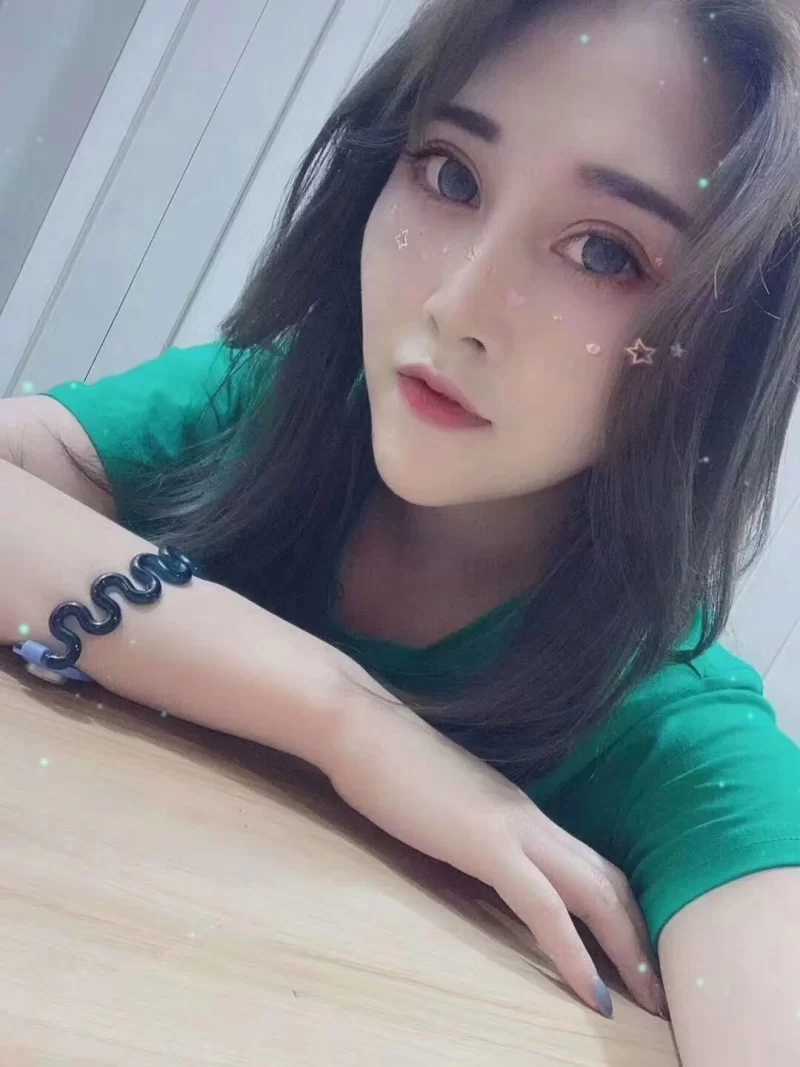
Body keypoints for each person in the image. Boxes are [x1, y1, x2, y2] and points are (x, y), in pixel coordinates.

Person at [2, 0, 800, 1060]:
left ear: (724, 345)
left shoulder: (666, 721)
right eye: (451, 175)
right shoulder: (256, 418)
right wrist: (352, 724)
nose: (458, 304)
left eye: (603, 253)